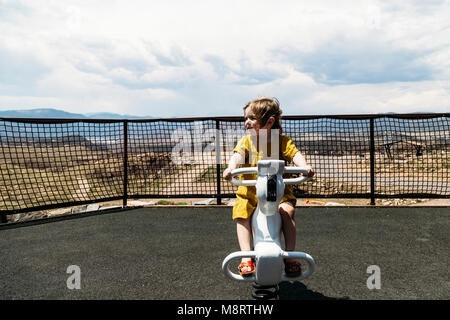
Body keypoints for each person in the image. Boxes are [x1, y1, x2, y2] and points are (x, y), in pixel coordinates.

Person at [223, 97, 314, 277]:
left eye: (252, 118)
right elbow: (237, 156)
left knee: (287, 212)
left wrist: (305, 166)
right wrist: (231, 168)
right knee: (241, 214)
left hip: (279, 192)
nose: (247, 122)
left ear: (269, 122)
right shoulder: (246, 141)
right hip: (249, 192)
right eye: (245, 119)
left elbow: (295, 154)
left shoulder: (281, 141)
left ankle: (289, 256)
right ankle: (246, 257)